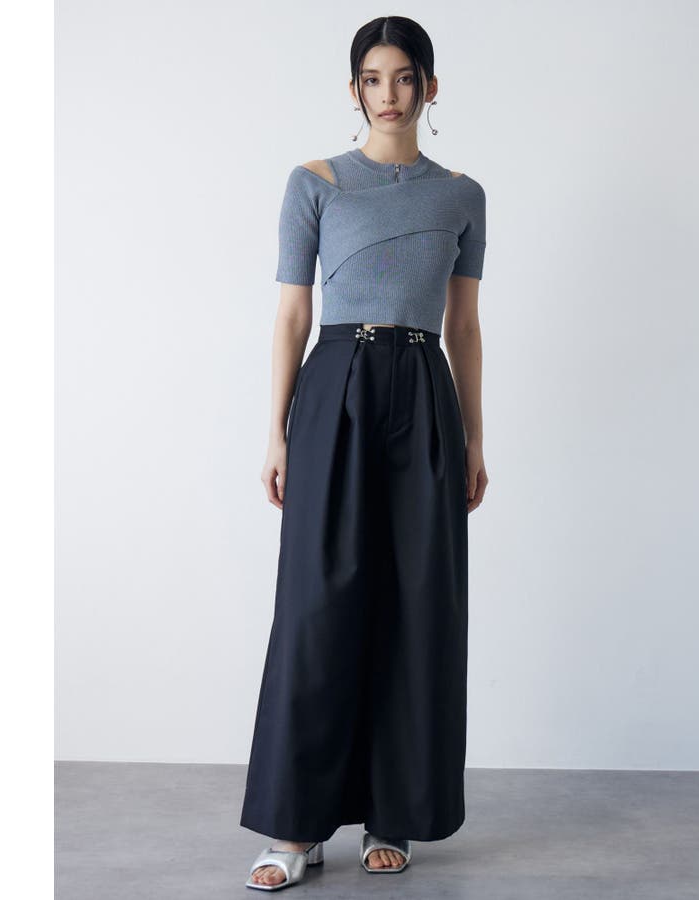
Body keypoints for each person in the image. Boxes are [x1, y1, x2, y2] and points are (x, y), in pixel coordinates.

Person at [241, 15, 489, 891]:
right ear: (354, 90)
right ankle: (295, 827)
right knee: (317, 605)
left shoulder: (462, 195)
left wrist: (475, 438)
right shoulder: (314, 183)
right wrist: (275, 430)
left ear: (430, 87)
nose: (390, 94)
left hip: (423, 390)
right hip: (335, 387)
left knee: (417, 604)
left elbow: (464, 324)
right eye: (373, 79)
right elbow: (292, 314)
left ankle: (395, 811)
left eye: (405, 77)